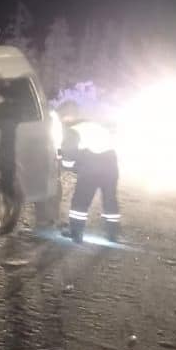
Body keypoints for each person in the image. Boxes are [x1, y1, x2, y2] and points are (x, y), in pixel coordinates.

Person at [56, 100, 121, 243]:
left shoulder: (73, 130)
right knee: (110, 199)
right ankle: (112, 234)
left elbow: (68, 157)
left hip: (92, 165)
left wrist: (65, 166)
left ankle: (76, 233)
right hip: (111, 164)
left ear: (66, 117)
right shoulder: (93, 125)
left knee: (81, 200)